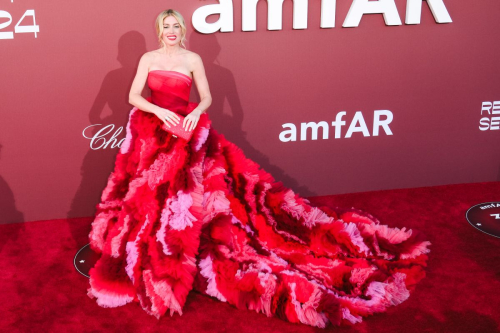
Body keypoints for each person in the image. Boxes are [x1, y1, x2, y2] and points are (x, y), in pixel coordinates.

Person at [87, 9, 431, 329]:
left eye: (176, 26)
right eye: (167, 27)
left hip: (188, 129)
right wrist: (159, 113)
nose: (172, 31)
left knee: (198, 193)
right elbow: (134, 95)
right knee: (149, 193)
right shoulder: (149, 58)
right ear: (159, 31)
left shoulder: (192, 59)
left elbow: (207, 97)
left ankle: (191, 240)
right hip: (155, 131)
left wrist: (193, 112)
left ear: (182, 30)